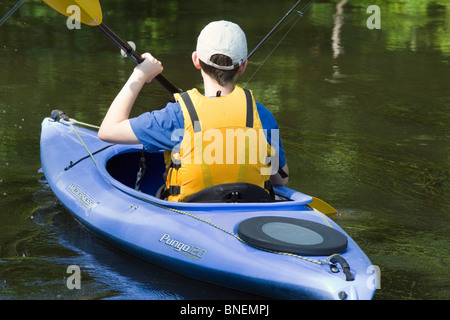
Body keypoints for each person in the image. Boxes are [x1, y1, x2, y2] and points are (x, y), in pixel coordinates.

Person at [98, 20, 288, 202]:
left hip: (191, 216)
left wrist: (139, 75)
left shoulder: (176, 115)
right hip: (249, 212)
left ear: (196, 60)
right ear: (243, 66)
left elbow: (108, 130)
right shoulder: (261, 115)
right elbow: (281, 179)